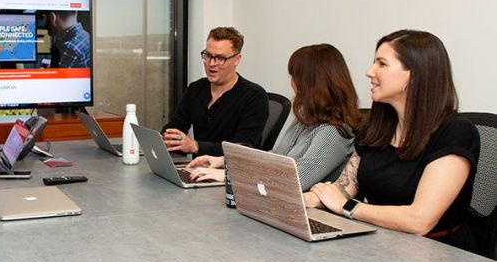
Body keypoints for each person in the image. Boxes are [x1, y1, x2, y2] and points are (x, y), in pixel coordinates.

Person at [305, 30, 480, 250]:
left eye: (382, 64)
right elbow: (343, 188)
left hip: (438, 256)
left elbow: (419, 220)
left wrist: (347, 207)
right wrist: (304, 199)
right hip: (383, 244)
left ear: (414, 74)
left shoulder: (456, 132)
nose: (370, 72)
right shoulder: (376, 128)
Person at [187, 44, 361, 189]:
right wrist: (223, 161)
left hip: (305, 212)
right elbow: (273, 158)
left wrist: (229, 175)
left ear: (310, 83)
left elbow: (294, 181)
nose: (292, 82)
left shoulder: (334, 132)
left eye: (294, 76)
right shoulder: (306, 120)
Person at [162, 26, 268, 156]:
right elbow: (176, 125)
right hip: (195, 169)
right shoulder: (196, 89)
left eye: (220, 58)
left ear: (237, 59)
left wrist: (195, 146)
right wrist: (169, 137)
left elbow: (242, 149)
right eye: (208, 55)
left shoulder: (254, 97)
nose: (211, 63)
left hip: (227, 173)